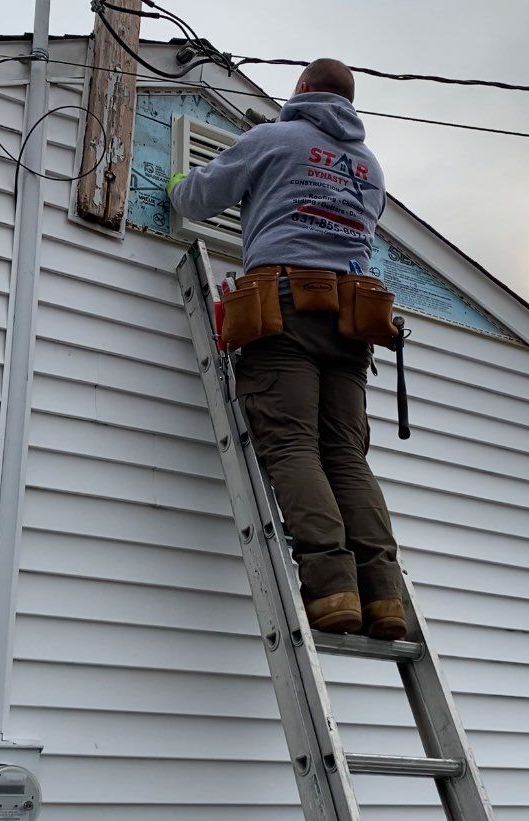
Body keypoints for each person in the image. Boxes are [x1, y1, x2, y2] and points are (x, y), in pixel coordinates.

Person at [167, 58, 405, 639]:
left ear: (301, 90)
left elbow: (198, 199)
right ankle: (385, 599)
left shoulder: (273, 138)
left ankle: (331, 591)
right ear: (350, 104)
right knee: (345, 455)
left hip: (287, 309)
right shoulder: (370, 167)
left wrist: (174, 184)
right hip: (353, 320)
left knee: (294, 443)